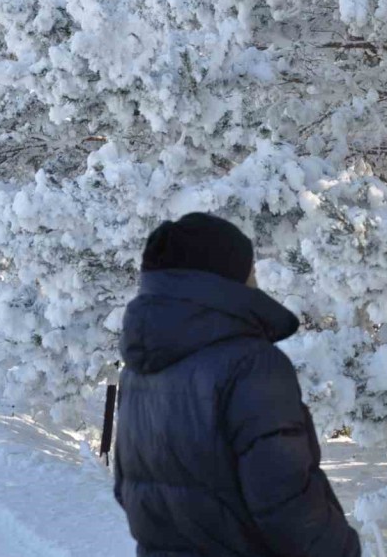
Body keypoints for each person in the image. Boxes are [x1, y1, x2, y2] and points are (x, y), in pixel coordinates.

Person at [113, 212, 361, 557]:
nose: (255, 278)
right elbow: (288, 503)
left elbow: (128, 490)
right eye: (249, 269)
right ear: (223, 280)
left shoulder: (139, 369)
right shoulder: (251, 366)